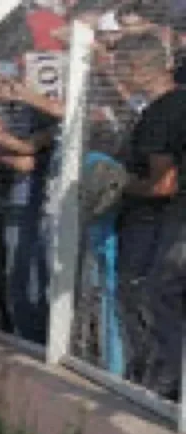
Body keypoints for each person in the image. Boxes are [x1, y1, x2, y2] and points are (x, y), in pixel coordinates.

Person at [113, 33, 186, 400]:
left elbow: (163, 184)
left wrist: (120, 186)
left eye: (120, 70)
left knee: (156, 297)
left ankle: (164, 384)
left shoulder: (160, 114)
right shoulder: (178, 102)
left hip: (165, 223)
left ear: (138, 69)